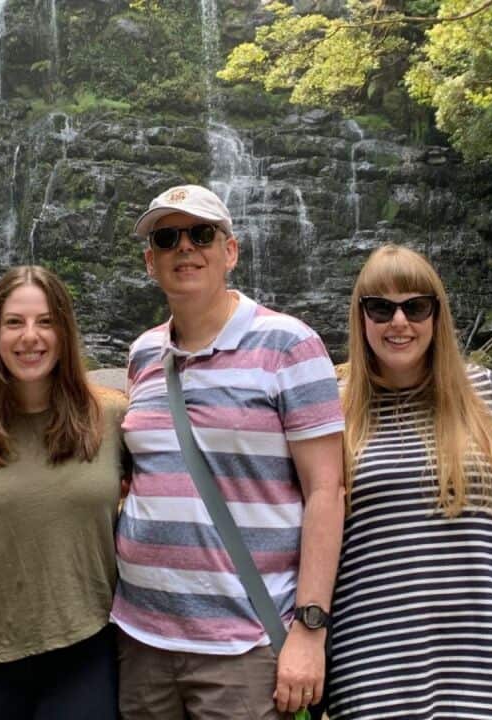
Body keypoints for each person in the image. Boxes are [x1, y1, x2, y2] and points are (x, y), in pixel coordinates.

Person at [113, 184, 345, 719]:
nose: (185, 248)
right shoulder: (144, 353)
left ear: (230, 251)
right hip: (143, 639)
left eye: (201, 234)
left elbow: (326, 493)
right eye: (168, 238)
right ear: (151, 261)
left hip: (245, 645)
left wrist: (310, 632)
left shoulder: (291, 344)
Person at [326, 244, 492, 719]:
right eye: (380, 308)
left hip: (491, 666)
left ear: (436, 315)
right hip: (372, 670)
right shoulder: (331, 411)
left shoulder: (486, 394)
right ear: (360, 317)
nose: (398, 321)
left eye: (415, 306)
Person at [0, 265, 128, 720]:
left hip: (88, 652)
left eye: (45, 322)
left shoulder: (111, 420)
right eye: (14, 322)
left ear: (65, 331)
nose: (29, 337)